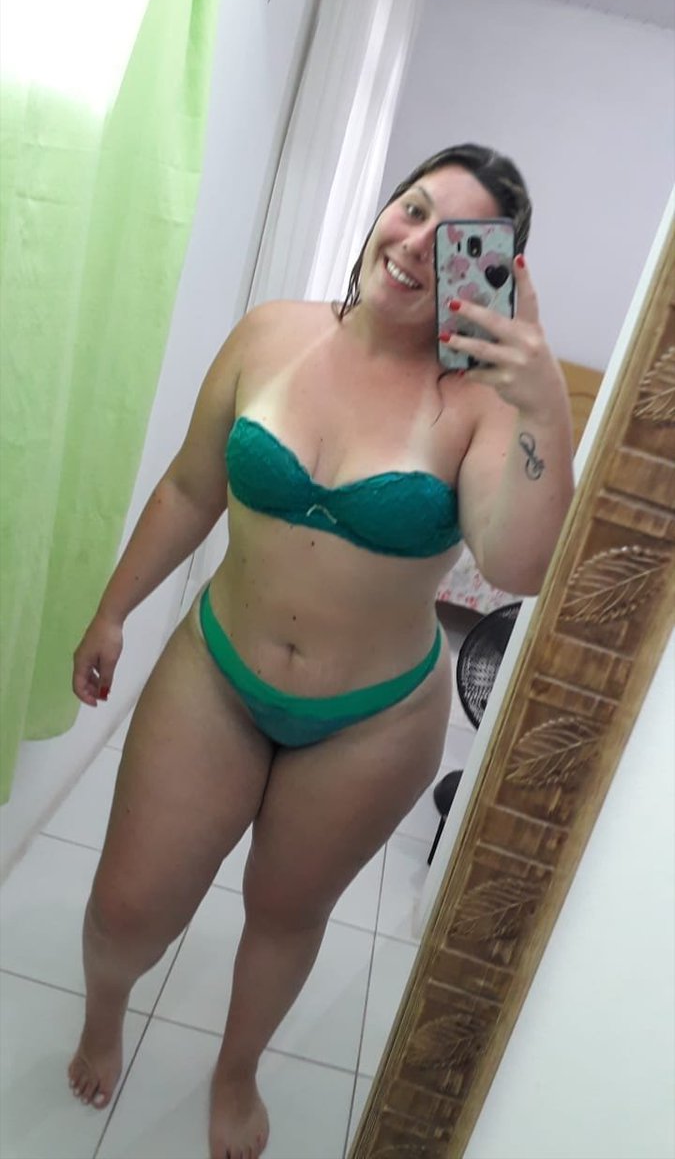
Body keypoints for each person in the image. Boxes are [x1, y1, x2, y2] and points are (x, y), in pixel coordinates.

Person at [68, 143, 574, 1159]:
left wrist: (544, 403)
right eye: (412, 208)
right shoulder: (272, 334)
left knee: (286, 912)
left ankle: (236, 1071)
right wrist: (113, 610)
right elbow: (189, 488)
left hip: (373, 721)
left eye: (455, 238)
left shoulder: (484, 405)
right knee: (126, 907)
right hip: (217, 671)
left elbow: (516, 565)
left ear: (490, 272)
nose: (418, 244)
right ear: (384, 209)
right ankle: (103, 1014)